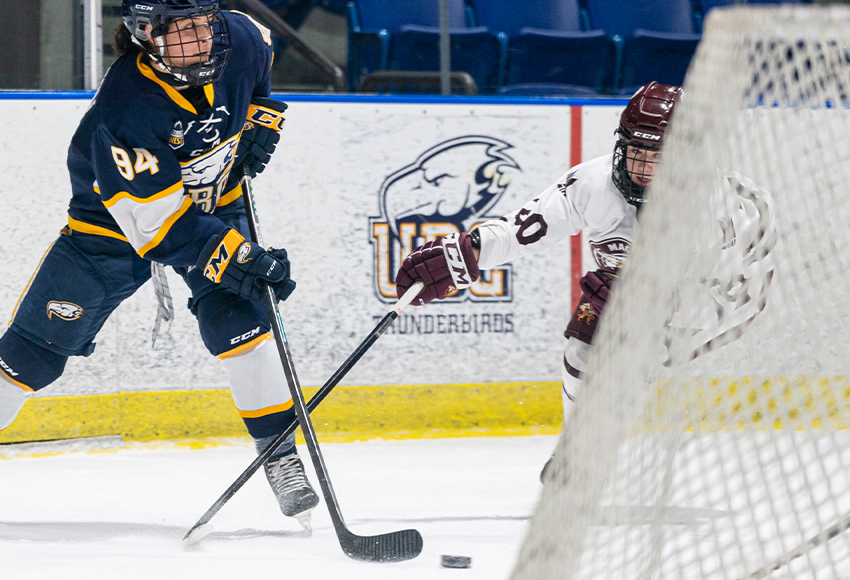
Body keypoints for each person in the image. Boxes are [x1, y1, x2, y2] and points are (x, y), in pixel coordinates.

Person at [0, 0, 319, 530]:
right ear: (146, 36)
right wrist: (238, 256)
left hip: (216, 202)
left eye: (205, 26)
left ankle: (280, 458)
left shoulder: (238, 39)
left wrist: (262, 115)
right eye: (183, 33)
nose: (202, 43)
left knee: (242, 325)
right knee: (31, 353)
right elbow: (157, 227)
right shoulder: (126, 109)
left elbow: (260, 50)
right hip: (111, 228)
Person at [394, 82, 683, 479]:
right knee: (588, 336)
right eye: (636, 153)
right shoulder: (595, 183)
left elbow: (729, 287)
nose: (643, 169)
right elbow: (522, 228)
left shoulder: (713, 202)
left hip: (717, 299)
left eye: (658, 158)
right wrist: (468, 252)